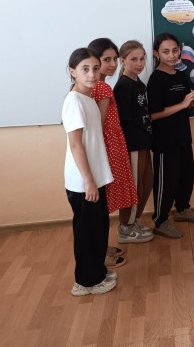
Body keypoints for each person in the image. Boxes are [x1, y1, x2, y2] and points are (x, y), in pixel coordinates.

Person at [62, 47, 116, 296]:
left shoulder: (88, 98)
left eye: (95, 68)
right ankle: (85, 282)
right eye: (85, 69)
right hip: (84, 181)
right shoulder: (74, 101)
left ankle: (97, 272)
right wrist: (89, 181)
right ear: (72, 71)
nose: (92, 74)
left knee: (98, 228)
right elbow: (76, 145)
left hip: (94, 177)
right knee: (87, 233)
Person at [88, 38, 150, 258]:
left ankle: (129, 224)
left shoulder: (125, 84)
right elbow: (100, 125)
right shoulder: (107, 87)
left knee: (140, 184)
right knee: (131, 186)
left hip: (126, 142)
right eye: (107, 60)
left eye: (114, 59)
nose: (112, 64)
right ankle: (126, 227)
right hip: (120, 144)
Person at [148, 33, 194, 239]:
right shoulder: (155, 79)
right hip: (165, 140)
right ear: (156, 53)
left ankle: (182, 209)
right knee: (167, 180)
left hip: (183, 135)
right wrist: (182, 105)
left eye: (175, 50)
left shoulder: (180, 75)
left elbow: (184, 105)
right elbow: (153, 115)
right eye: (166, 51)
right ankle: (160, 220)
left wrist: (192, 101)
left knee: (186, 174)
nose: (172, 55)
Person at [113, 40, 155, 243]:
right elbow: (125, 121)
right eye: (134, 59)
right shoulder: (123, 86)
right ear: (123, 61)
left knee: (147, 183)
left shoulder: (139, 84)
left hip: (144, 142)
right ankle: (126, 227)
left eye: (142, 59)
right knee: (134, 186)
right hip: (133, 144)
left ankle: (134, 220)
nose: (139, 63)